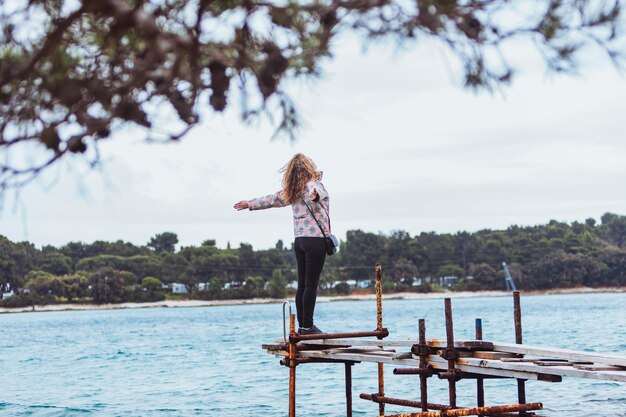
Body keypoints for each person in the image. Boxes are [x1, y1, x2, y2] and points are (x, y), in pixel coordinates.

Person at [234, 153, 331, 335]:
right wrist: (314, 194)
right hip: (315, 240)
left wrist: (249, 204)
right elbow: (317, 194)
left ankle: (303, 326)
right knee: (311, 285)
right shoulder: (313, 185)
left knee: (302, 284)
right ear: (309, 168)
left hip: (299, 241)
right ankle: (308, 326)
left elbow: (271, 200)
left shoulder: (292, 191)